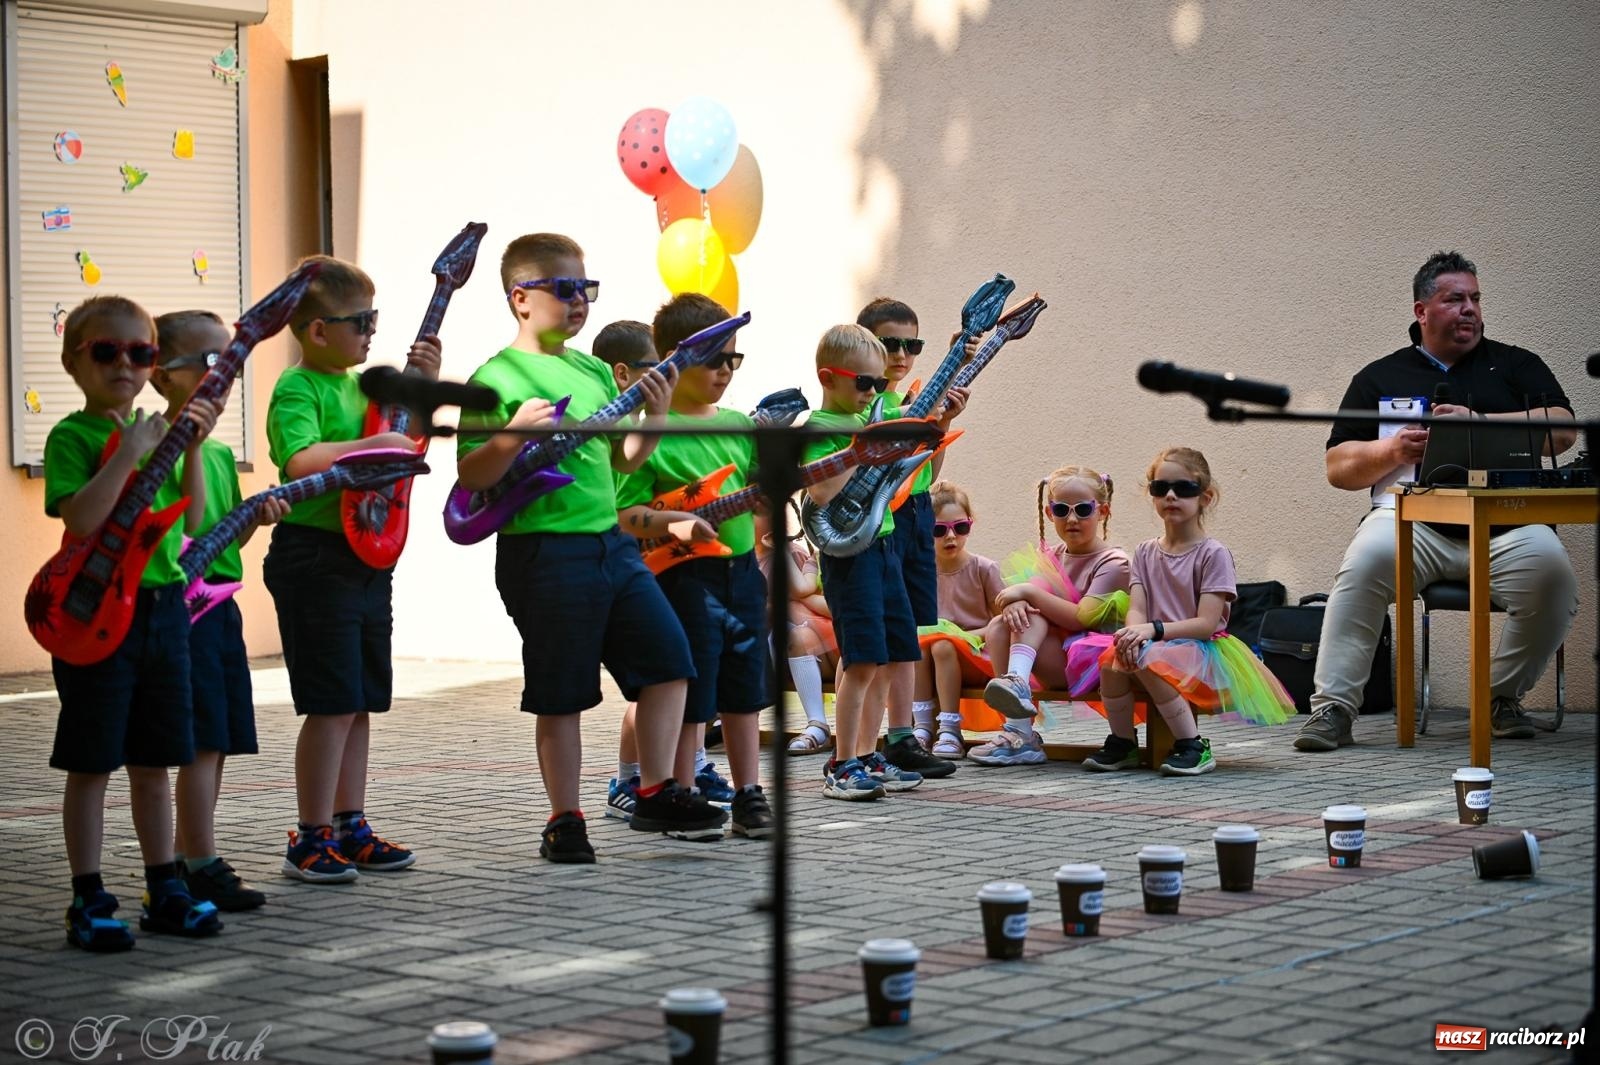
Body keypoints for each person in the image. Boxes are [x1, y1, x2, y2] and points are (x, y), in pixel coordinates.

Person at [455, 233, 726, 861]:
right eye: (565, 289)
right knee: (564, 691)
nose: (580, 301)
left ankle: (655, 790)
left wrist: (652, 419)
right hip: (544, 553)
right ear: (520, 297)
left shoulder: (593, 370)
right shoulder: (496, 377)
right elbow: (472, 476)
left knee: (669, 662)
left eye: (587, 288)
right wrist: (510, 436)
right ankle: (564, 819)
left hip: (612, 546)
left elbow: (622, 461)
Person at [1294, 251, 1579, 751]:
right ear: (1421, 311)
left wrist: (1482, 423)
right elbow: (1337, 467)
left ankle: (1498, 699)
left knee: (1554, 573)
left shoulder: (1514, 365)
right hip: (1411, 520)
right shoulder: (1379, 376)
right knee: (1364, 564)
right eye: (1454, 299)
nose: (1469, 309)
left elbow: (1563, 431)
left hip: (1507, 524)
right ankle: (1334, 708)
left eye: (1475, 299)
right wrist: (1391, 450)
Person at [45, 295, 224, 949]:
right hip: (96, 617)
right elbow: (82, 519)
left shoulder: (160, 431)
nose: (125, 364)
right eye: (106, 351)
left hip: (161, 609)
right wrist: (129, 452)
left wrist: (193, 447)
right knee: (92, 762)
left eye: (140, 353)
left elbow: (194, 519)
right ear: (74, 360)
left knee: (156, 760)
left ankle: (165, 885)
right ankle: (88, 894)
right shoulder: (75, 435)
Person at [264, 254, 437, 883]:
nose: (371, 331)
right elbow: (300, 461)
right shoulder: (299, 387)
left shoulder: (368, 385)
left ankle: (350, 825)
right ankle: (308, 837)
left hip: (366, 558)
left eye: (375, 318)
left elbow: (404, 448)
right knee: (331, 703)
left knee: (360, 702)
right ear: (316, 331)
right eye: (360, 320)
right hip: (315, 558)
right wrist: (370, 446)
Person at [616, 293, 776, 840]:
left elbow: (758, 492)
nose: (727, 372)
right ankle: (680, 791)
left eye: (735, 359)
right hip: (684, 578)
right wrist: (679, 526)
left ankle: (750, 792)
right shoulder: (648, 430)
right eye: (716, 360)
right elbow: (626, 514)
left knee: (746, 687)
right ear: (673, 360)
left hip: (741, 573)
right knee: (693, 691)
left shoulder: (738, 422)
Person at [153, 310, 289, 911]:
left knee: (217, 741)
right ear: (161, 377)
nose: (224, 372)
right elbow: (175, 531)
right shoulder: (155, 443)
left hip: (220, 608)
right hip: (182, 615)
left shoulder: (219, 453)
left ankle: (193, 849)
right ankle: (197, 860)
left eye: (230, 359)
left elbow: (219, 541)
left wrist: (253, 520)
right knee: (197, 740)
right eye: (211, 361)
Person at [1091, 448, 1295, 775]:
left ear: (1205, 496)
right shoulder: (1145, 551)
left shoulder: (1213, 554)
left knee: (1149, 659)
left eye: (1183, 488)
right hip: (1154, 641)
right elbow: (1138, 607)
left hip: (1201, 650)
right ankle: (1123, 743)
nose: (1170, 496)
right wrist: (1131, 634)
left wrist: (1150, 633)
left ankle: (1192, 745)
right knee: (1112, 663)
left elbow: (1206, 623)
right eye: (1160, 488)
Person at [802, 324, 924, 801]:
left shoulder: (867, 418)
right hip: (849, 556)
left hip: (886, 544)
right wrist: (858, 452)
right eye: (864, 383)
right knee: (860, 660)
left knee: (889, 658)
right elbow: (820, 491)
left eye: (879, 385)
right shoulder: (818, 427)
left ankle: (869, 752)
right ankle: (842, 760)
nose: (873, 394)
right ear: (828, 378)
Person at [855, 299, 968, 780]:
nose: (902, 354)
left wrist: (939, 427)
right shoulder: (862, 404)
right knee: (871, 643)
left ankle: (901, 737)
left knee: (908, 636)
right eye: (890, 343)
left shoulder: (915, 399)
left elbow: (928, 468)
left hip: (916, 512)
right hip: (877, 519)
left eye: (912, 344)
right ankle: (856, 749)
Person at [911, 481, 1004, 759]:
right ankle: (921, 729)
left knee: (942, 645)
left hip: (976, 654)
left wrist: (970, 635)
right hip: (930, 657)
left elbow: (1001, 622)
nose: (951, 537)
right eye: (939, 530)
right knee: (921, 644)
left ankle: (950, 728)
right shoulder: (919, 571)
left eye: (960, 527)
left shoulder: (983, 568)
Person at [761, 505, 839, 756]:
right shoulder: (813, 558)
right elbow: (803, 589)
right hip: (790, 638)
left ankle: (818, 724)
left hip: (826, 637)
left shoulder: (797, 555)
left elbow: (800, 594)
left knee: (791, 635)